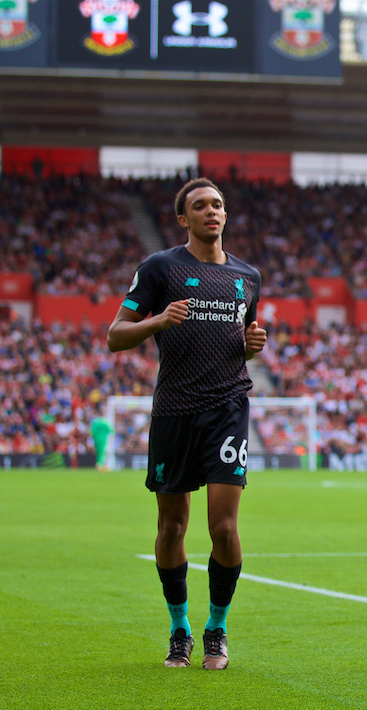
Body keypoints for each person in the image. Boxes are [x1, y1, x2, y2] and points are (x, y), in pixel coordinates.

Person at [107, 177, 267, 671]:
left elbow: (238, 338)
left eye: (218, 204)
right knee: (172, 525)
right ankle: (180, 630)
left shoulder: (248, 277)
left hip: (227, 409)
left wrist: (250, 346)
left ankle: (216, 629)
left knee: (222, 525)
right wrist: (157, 322)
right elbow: (115, 335)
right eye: (200, 206)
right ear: (184, 219)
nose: (212, 211)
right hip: (174, 410)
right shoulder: (161, 268)